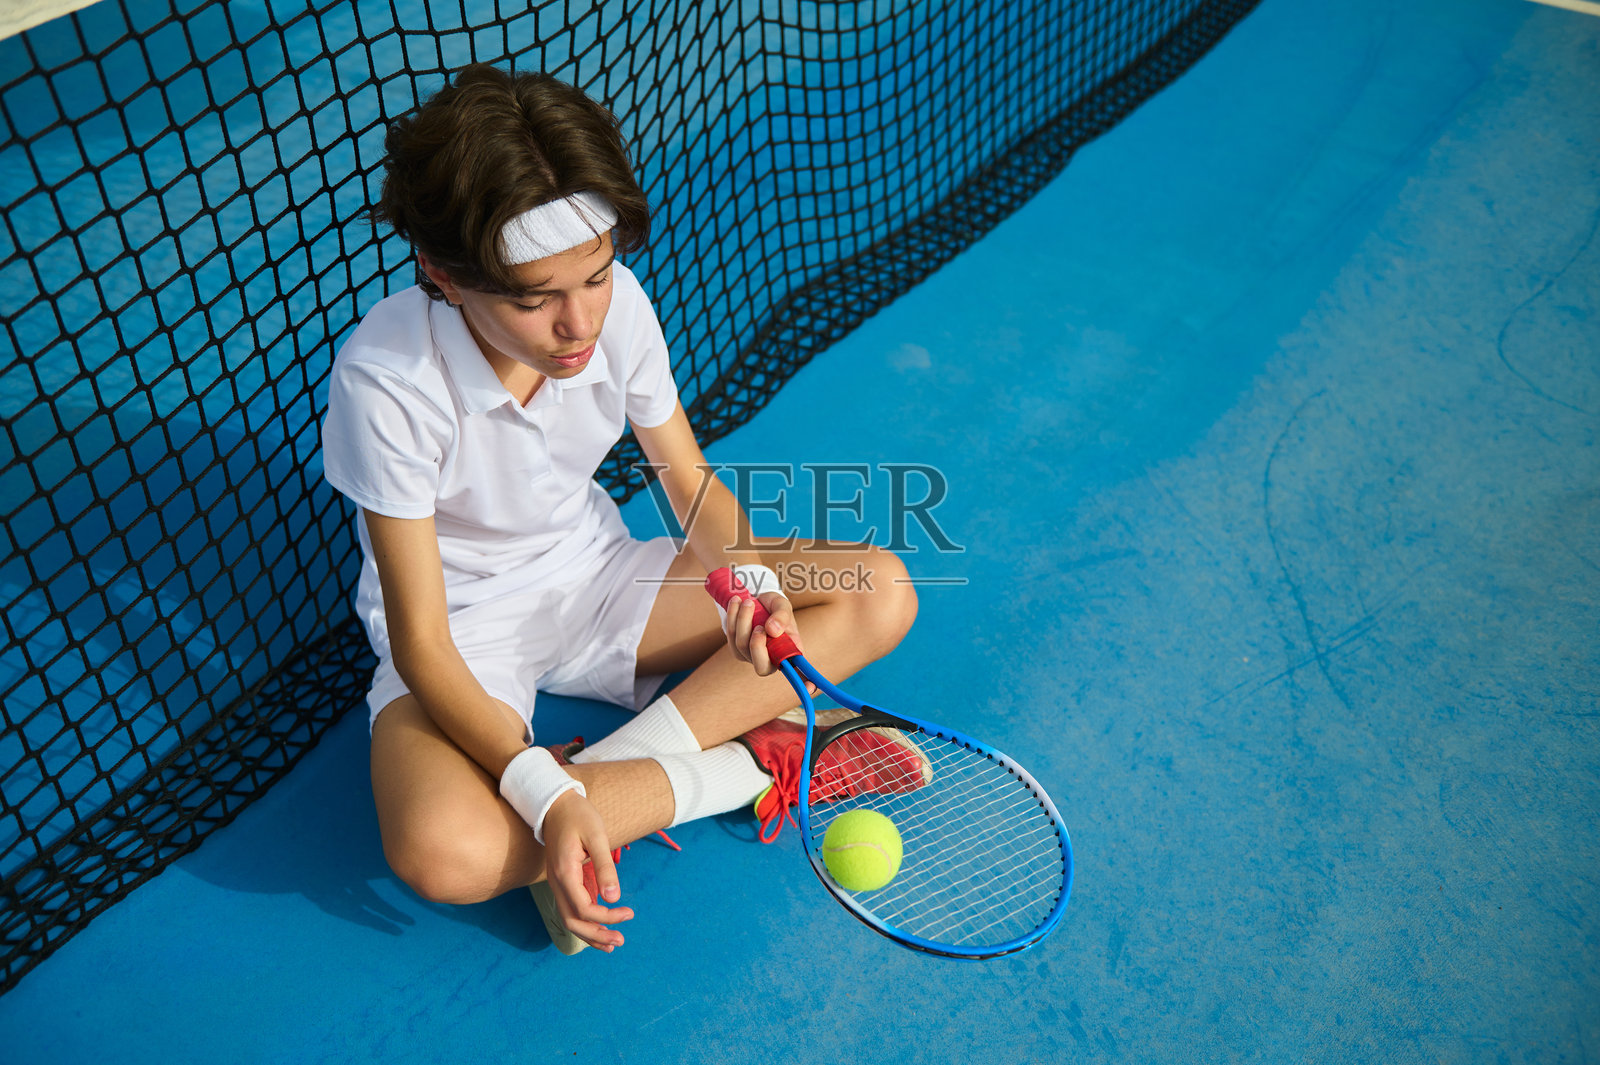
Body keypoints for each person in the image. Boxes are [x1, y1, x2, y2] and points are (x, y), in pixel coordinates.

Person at [320, 65, 920, 955]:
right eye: (534, 299)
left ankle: (656, 780)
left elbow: (689, 483)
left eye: (596, 277)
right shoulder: (385, 382)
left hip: (599, 577)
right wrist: (542, 792)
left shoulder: (619, 311)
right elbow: (423, 643)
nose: (578, 325)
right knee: (443, 851)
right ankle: (745, 754)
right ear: (442, 275)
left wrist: (754, 584)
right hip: (464, 632)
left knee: (877, 587)